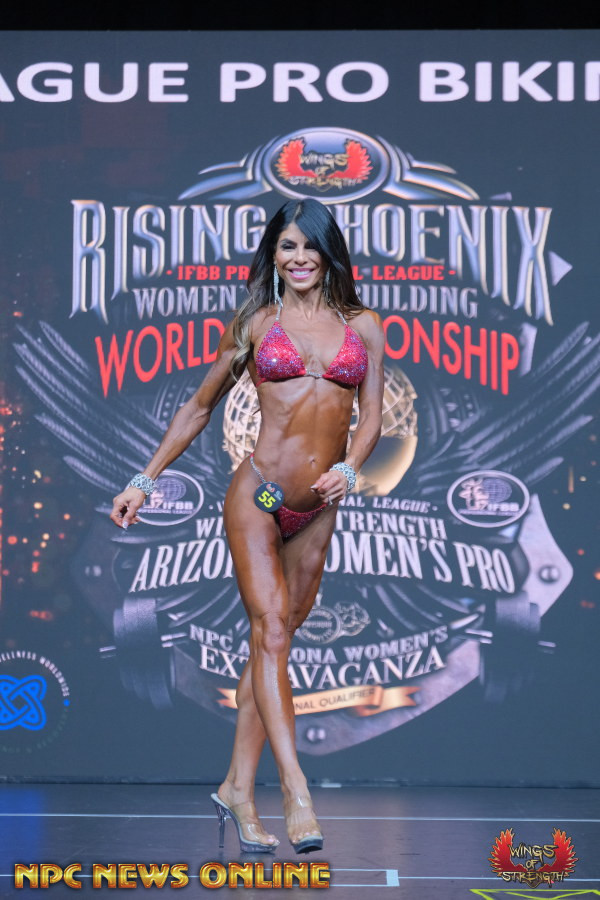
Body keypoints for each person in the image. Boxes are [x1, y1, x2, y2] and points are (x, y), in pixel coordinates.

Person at [110, 197, 384, 854]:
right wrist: (143, 480)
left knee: (274, 643)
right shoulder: (258, 324)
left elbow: (372, 415)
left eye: (309, 246)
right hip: (257, 495)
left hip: (318, 507)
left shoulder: (364, 326)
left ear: (329, 253)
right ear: (274, 255)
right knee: (272, 633)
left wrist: (350, 469)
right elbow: (198, 407)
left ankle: (236, 787)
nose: (298, 258)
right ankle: (295, 790)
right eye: (287, 247)